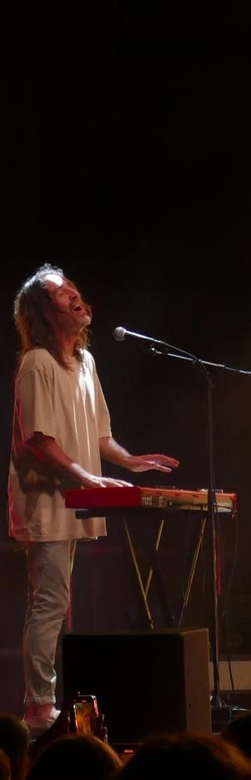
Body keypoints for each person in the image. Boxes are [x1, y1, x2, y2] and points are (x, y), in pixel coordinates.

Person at [9, 266, 179, 730]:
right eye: (62, 295)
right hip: (47, 499)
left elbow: (100, 434)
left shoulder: (86, 364)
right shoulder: (36, 363)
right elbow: (36, 441)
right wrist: (88, 476)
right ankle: (38, 708)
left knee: (60, 601)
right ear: (43, 312)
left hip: (77, 495)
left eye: (74, 291)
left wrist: (130, 462)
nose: (74, 298)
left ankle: (56, 702)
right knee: (49, 601)